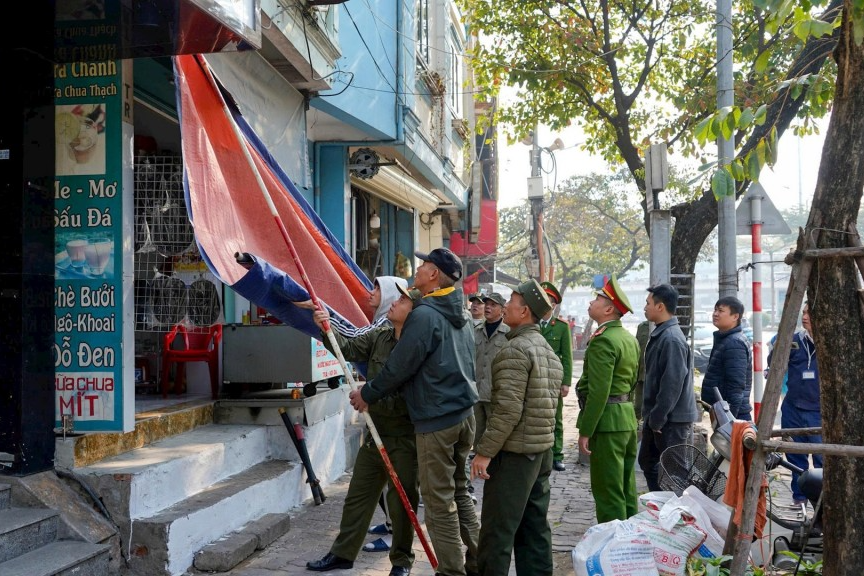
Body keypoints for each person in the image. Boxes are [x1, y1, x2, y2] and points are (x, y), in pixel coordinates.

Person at [349, 247, 481, 576]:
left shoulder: (425, 315)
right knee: (460, 493)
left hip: (438, 420)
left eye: (423, 266)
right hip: (465, 415)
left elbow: (397, 368)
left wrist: (367, 393)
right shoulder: (461, 312)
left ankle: (450, 571)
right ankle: (483, 560)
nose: (418, 270)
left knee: (439, 504)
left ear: (434, 274)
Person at [305, 284, 420, 576]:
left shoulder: (417, 346)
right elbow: (346, 347)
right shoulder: (380, 336)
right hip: (375, 432)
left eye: (403, 300)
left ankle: (402, 561)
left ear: (415, 312)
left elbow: (410, 393)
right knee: (359, 494)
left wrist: (369, 397)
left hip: (404, 436)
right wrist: (324, 327)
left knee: (402, 500)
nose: (394, 302)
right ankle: (343, 553)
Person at [471, 279, 563, 576]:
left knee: (497, 532)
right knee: (534, 528)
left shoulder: (515, 350)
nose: (505, 306)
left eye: (510, 302)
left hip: (514, 456)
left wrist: (484, 452)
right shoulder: (547, 351)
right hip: (540, 452)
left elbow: (508, 411)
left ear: (524, 312)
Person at [576, 275, 640, 523]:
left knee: (608, 490)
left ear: (608, 309)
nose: (591, 303)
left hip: (607, 423)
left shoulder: (604, 340)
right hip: (625, 417)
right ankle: (632, 538)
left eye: (597, 299)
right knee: (626, 487)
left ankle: (614, 545)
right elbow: (633, 381)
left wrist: (585, 429)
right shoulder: (628, 338)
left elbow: (598, 391)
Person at [637, 284, 699, 492]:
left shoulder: (671, 339)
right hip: (659, 417)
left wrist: (657, 419)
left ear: (660, 306)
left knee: (677, 475)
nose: (645, 307)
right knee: (648, 462)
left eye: (648, 303)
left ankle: (681, 517)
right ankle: (662, 508)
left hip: (671, 420)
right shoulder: (663, 334)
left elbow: (672, 384)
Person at [767, 302, 821, 503]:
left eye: (809, 313)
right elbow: (774, 364)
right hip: (793, 409)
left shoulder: (833, 343)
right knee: (795, 458)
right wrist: (779, 345)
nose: (804, 317)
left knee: (822, 459)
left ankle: (821, 506)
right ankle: (799, 500)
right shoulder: (795, 340)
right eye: (804, 312)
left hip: (820, 411)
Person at [700, 296, 753, 421]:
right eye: (715, 310)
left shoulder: (734, 343)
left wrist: (730, 420)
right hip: (723, 411)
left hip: (733, 414)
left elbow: (736, 386)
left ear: (735, 317)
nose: (715, 314)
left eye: (721, 311)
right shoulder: (725, 339)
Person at [539, 281, 573, 472]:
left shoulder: (560, 327)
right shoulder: (532, 323)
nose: (546, 304)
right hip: (534, 378)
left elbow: (567, 357)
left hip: (553, 380)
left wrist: (566, 382)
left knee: (556, 418)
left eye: (548, 300)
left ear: (553, 304)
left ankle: (557, 455)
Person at [473, 292, 510, 446]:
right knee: (477, 433)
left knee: (494, 434)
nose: (488, 307)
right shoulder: (476, 330)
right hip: (476, 392)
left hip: (496, 392)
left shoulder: (508, 332)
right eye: (486, 304)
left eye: (493, 305)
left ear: (502, 309)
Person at [633, 320, 650, 425]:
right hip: (641, 372)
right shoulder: (642, 326)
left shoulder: (663, 326)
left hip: (654, 374)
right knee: (638, 405)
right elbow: (637, 348)